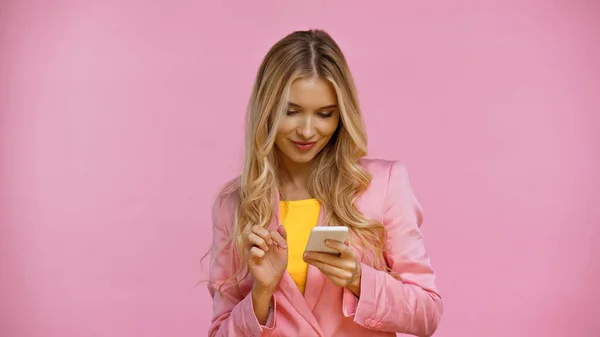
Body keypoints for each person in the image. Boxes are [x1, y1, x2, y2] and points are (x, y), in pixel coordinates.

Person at [207, 29, 443, 337]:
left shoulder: (383, 186)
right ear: (267, 110)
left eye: (324, 114)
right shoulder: (234, 205)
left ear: (341, 116)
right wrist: (260, 294)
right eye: (290, 112)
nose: (307, 131)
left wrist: (359, 279)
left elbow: (428, 313)